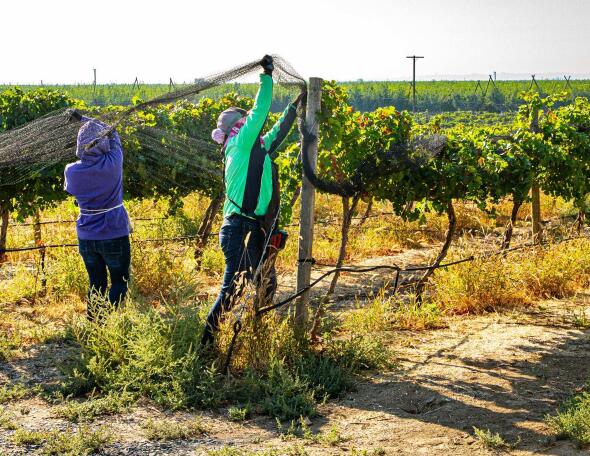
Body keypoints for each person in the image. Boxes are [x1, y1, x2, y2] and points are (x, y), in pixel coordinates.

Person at [201, 55, 302, 346]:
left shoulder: (255, 145)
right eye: (246, 121)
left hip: (254, 225)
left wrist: (294, 108)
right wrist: (266, 76)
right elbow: (260, 111)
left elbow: (277, 132)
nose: (251, 123)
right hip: (237, 227)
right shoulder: (241, 142)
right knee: (233, 285)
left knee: (265, 281)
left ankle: (259, 334)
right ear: (239, 125)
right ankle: (206, 342)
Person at [64, 114, 131, 321]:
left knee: (96, 283)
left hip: (86, 237)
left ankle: (95, 324)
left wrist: (82, 121)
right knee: (120, 282)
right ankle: (109, 323)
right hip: (114, 233)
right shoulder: (113, 162)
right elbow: (112, 132)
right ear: (102, 142)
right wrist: (85, 118)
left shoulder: (72, 171)